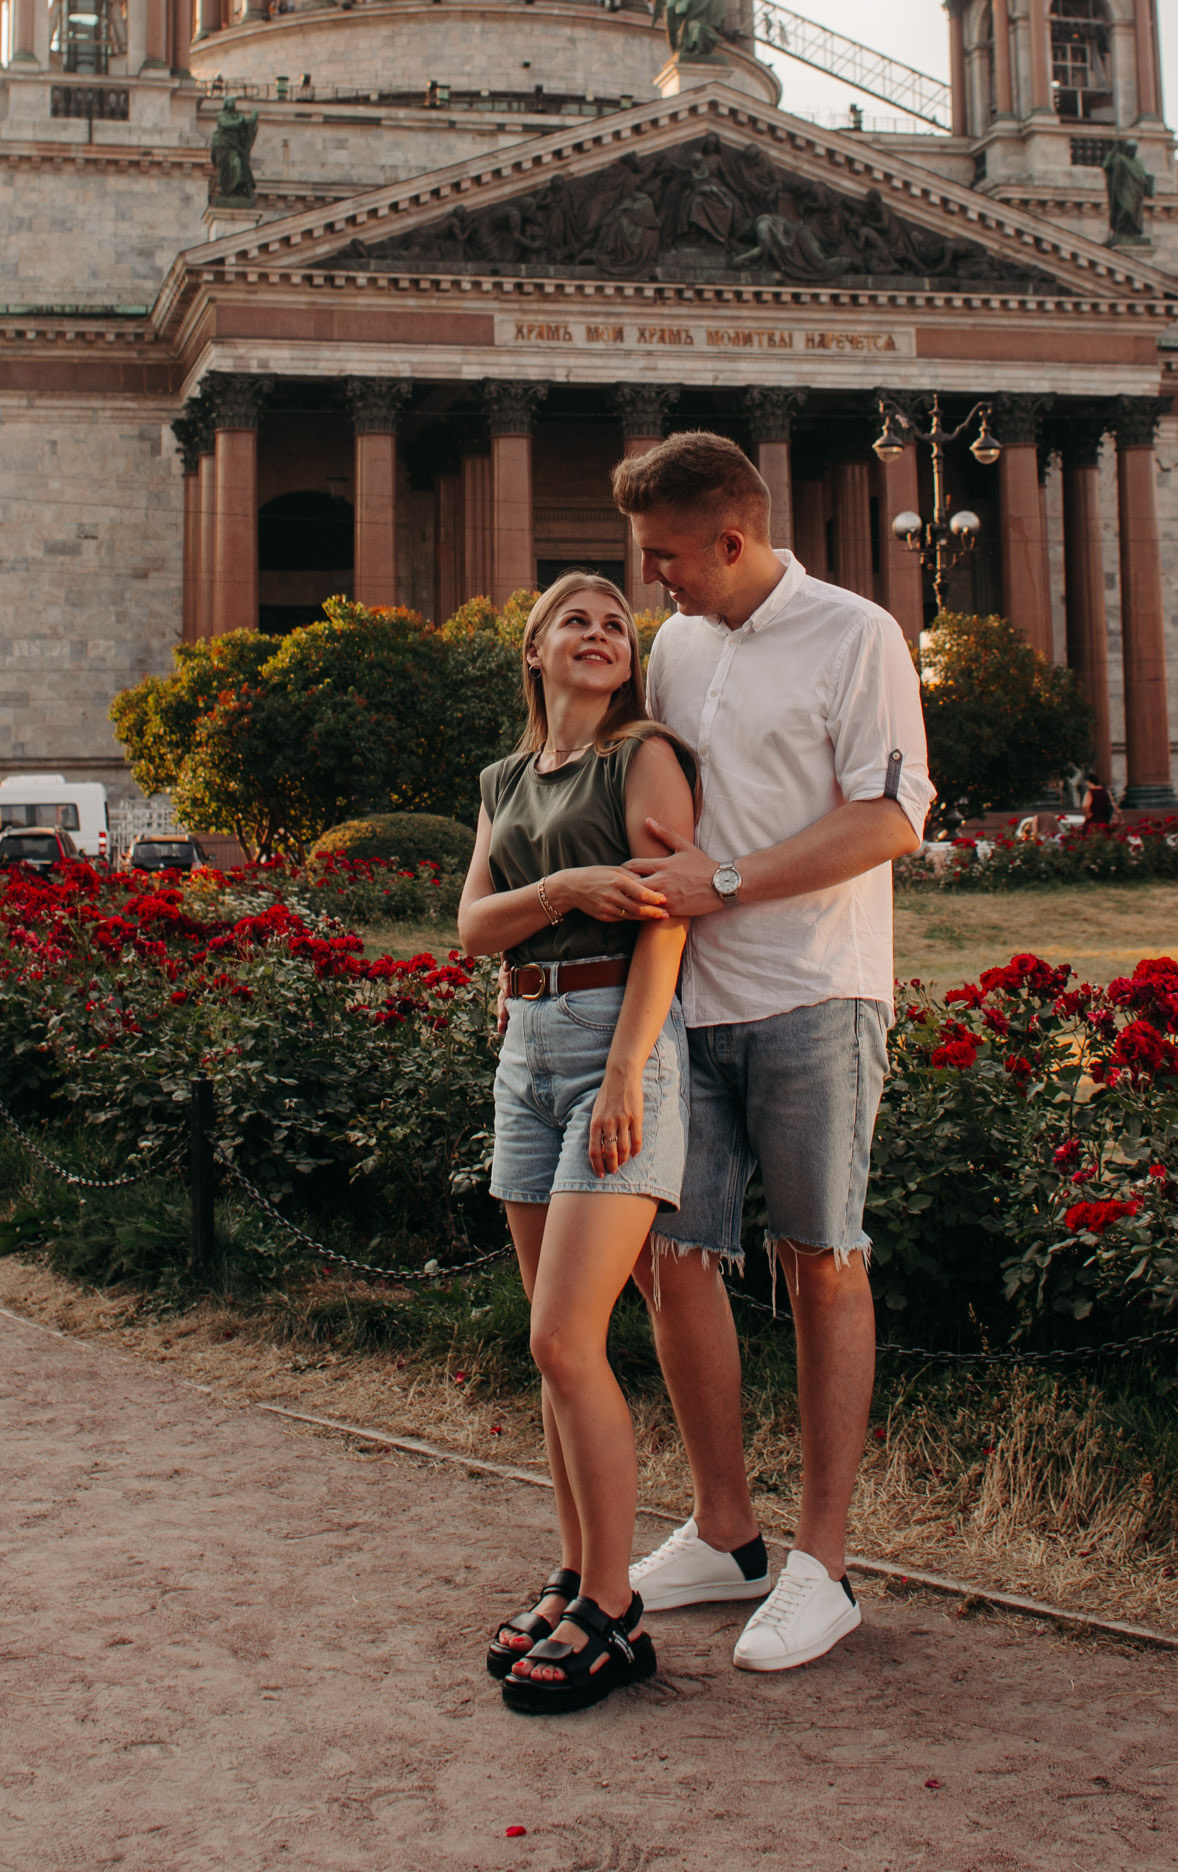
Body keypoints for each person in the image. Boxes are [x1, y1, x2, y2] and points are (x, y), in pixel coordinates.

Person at [610, 432, 931, 1674]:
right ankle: (724, 1530)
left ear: (731, 540)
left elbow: (890, 817)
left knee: (819, 1263)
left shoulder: (857, 634)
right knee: (672, 1258)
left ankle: (822, 1565)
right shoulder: (678, 648)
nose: (653, 580)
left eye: (665, 557)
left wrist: (725, 882)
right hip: (689, 998)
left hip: (814, 990)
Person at [456, 571, 698, 1714]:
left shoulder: (641, 756)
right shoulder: (502, 780)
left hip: (613, 1039)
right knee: (549, 1345)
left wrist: (625, 1072)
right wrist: (559, 883)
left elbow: (666, 914)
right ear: (534, 649)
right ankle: (571, 1573)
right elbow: (472, 927)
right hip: (524, 1045)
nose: (600, 634)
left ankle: (611, 1606)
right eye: (576, 620)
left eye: (616, 624)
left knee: (565, 1338)